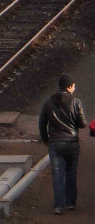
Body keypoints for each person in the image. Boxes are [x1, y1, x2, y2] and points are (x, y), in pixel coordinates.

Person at [39, 73, 86, 214]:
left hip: (55, 143)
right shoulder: (76, 102)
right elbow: (82, 123)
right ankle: (71, 203)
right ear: (70, 87)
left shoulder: (48, 102)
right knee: (71, 172)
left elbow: (42, 123)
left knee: (57, 174)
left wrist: (46, 140)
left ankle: (59, 206)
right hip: (72, 142)